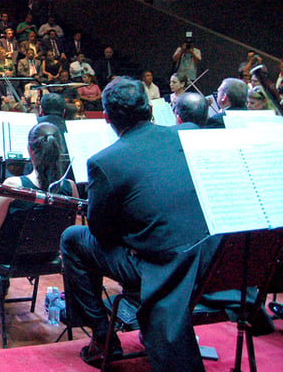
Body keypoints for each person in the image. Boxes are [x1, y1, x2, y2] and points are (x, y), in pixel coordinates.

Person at [60, 77, 216, 371]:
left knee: (72, 238)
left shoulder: (104, 161)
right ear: (151, 110)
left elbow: (101, 232)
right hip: (209, 259)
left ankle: (103, 336)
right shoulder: (187, 137)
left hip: (160, 266)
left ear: (107, 118)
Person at [0, 123, 78, 296]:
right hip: (49, 256)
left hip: (10, 258)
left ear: (30, 150)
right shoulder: (70, 187)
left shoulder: (14, 185)